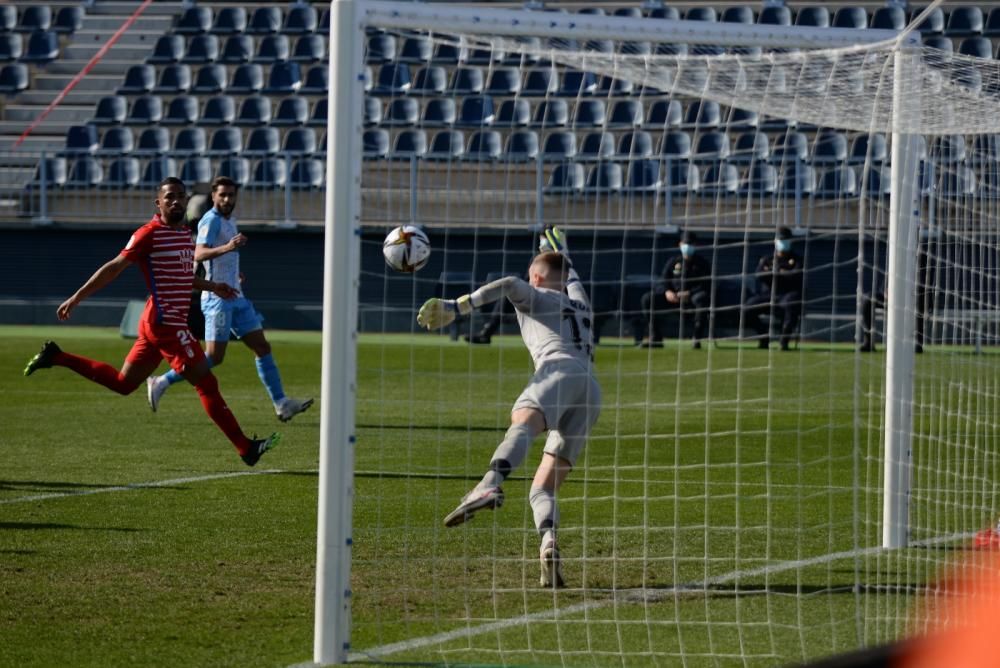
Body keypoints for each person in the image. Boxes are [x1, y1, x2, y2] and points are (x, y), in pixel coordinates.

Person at [23, 177, 279, 466]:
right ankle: (245, 448)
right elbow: (114, 267)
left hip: (155, 322)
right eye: (169, 197)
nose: (175, 201)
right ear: (158, 202)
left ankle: (57, 356)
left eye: (180, 196)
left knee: (124, 383)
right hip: (165, 322)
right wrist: (77, 297)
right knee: (206, 383)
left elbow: (183, 277)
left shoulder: (184, 234)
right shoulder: (149, 233)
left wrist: (213, 286)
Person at [416, 227, 601, 588]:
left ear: (536, 276)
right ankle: (548, 543)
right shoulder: (581, 303)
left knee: (522, 426)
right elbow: (571, 278)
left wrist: (458, 306)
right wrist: (563, 253)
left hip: (557, 371)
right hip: (591, 390)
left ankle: (490, 483)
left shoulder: (534, 294)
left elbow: (508, 284)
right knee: (542, 489)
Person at [145, 176, 313, 422]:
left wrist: (235, 272)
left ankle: (281, 403)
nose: (226, 199)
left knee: (262, 347)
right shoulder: (210, 220)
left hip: (237, 296)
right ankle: (161, 381)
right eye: (222, 195)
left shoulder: (229, 220)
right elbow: (198, 253)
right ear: (213, 196)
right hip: (217, 299)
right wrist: (227, 248)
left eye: (231, 195)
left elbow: (223, 257)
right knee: (214, 357)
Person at [635, 230, 712, 349]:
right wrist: (667, 292)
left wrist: (689, 293)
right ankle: (656, 338)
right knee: (648, 299)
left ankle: (696, 339)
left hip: (691, 300)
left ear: (695, 245)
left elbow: (707, 284)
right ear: (680, 245)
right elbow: (662, 281)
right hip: (672, 299)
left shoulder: (702, 263)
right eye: (686, 243)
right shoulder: (673, 262)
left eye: (691, 244)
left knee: (701, 299)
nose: (688, 246)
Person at [742, 226, 804, 351]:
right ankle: (763, 337)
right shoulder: (768, 259)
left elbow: (795, 276)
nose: (782, 243)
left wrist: (775, 272)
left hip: (787, 295)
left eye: (785, 240)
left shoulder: (797, 260)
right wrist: (779, 272)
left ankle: (784, 341)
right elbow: (759, 274)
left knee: (791, 305)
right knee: (747, 308)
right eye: (780, 240)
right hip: (768, 295)